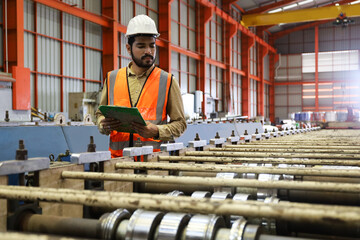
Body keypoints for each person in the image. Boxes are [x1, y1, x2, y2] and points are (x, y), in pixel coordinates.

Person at [96, 15, 186, 158]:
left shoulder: (167, 81)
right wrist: (103, 124)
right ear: (128, 48)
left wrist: (157, 131)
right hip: (118, 163)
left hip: (154, 163)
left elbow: (180, 124)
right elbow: (100, 114)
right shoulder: (112, 78)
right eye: (141, 46)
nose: (148, 51)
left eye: (152, 45)